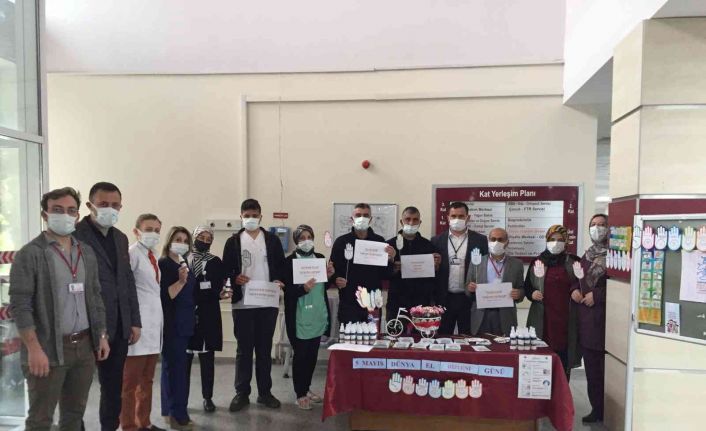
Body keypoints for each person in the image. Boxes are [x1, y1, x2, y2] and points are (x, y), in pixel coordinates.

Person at [10, 187, 110, 431]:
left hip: (84, 347)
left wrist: (102, 335)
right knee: (40, 419)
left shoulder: (85, 252)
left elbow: (95, 296)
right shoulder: (30, 254)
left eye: (70, 210)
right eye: (57, 210)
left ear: (77, 215)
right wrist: (33, 349)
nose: (65, 215)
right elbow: (20, 305)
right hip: (48, 348)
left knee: (74, 415)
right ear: (45, 214)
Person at [74, 182, 141, 431]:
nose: (109, 209)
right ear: (90, 205)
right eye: (103, 204)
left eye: (115, 205)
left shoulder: (120, 238)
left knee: (113, 387)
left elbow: (127, 281)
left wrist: (134, 321)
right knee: (76, 391)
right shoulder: (74, 236)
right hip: (85, 325)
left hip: (119, 326)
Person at [222, 199, 286, 413]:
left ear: (261, 216)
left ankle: (265, 393)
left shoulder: (272, 240)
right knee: (244, 350)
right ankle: (242, 393)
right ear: (241, 216)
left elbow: (281, 267)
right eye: (247, 215)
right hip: (243, 303)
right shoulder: (233, 242)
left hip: (267, 301)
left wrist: (279, 280)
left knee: (264, 349)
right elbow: (226, 270)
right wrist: (234, 278)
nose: (251, 218)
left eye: (254, 215)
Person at [121, 214, 166, 431]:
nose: (153, 234)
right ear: (136, 231)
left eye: (157, 230)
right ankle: (128, 425)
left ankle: (144, 422)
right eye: (148, 229)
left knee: (147, 380)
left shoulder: (153, 256)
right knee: (130, 383)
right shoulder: (132, 254)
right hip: (137, 327)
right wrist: (131, 322)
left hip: (154, 326)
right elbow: (126, 290)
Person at [283, 225, 335, 410]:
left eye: (309, 237)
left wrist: (329, 276)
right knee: (301, 356)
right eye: (302, 238)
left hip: (317, 314)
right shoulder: (289, 262)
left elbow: (322, 286)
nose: (306, 241)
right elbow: (288, 292)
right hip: (299, 316)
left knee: (312, 356)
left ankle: (306, 388)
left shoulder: (319, 259)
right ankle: (300, 394)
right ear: (296, 241)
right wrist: (302, 289)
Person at [524, 224, 582, 378]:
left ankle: (562, 389)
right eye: (552, 239)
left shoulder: (574, 261)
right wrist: (532, 293)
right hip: (543, 317)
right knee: (541, 355)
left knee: (563, 357)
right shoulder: (537, 261)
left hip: (566, 318)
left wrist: (576, 289)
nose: (556, 243)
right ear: (546, 240)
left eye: (560, 239)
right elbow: (527, 287)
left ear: (566, 241)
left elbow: (582, 282)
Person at [186, 225, 229, 413]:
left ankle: (208, 397)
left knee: (207, 360)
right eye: (201, 237)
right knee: (184, 361)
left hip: (207, 315)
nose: (204, 241)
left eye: (208, 239)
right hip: (186, 315)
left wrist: (219, 293)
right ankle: (182, 399)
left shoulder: (215, 262)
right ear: (194, 237)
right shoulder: (183, 259)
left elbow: (220, 287)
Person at [330, 203, 395, 325]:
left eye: (365, 215)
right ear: (352, 219)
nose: (362, 218)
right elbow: (333, 269)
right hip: (349, 302)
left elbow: (386, 274)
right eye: (358, 215)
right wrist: (336, 278)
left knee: (373, 336)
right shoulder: (341, 242)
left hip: (373, 302)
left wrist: (391, 259)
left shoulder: (380, 242)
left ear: (370, 219)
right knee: (348, 336)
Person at [431, 201, 488, 335]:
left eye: (461, 216)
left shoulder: (480, 240)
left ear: (468, 218)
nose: (457, 219)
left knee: (468, 337)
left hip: (469, 298)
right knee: (443, 337)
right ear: (448, 218)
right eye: (453, 216)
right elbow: (433, 271)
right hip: (444, 298)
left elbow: (485, 268)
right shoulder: (436, 241)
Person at [159, 227, 196, 430]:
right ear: (169, 241)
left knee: (174, 369)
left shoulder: (184, 263)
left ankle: (170, 411)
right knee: (175, 371)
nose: (181, 243)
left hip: (185, 323)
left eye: (185, 240)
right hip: (172, 325)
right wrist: (181, 281)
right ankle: (178, 414)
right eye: (177, 239)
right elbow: (166, 296)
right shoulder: (164, 264)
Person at [578, 214, 609, 423]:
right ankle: (596, 408)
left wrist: (597, 296)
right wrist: (573, 289)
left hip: (606, 321)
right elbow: (578, 278)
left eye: (602, 225)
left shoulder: (617, 254)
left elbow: (622, 286)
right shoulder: (587, 255)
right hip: (587, 322)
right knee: (592, 371)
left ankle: (609, 411)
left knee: (606, 371)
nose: (597, 229)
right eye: (593, 225)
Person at [464, 227, 525, 336]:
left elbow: (521, 289)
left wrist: (519, 293)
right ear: (488, 241)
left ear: (507, 242)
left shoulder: (517, 264)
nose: (496, 242)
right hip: (481, 314)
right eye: (493, 239)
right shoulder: (477, 262)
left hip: (505, 315)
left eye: (500, 239)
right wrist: (469, 288)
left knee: (504, 346)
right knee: (481, 344)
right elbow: (467, 287)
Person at [386, 207, 441, 321]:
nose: (411, 223)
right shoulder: (389, 245)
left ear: (420, 222)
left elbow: (434, 277)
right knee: (395, 331)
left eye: (415, 220)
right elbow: (382, 273)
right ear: (401, 222)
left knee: (422, 332)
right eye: (408, 219)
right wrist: (393, 269)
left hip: (421, 302)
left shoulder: (428, 245)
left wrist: (436, 267)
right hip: (396, 301)